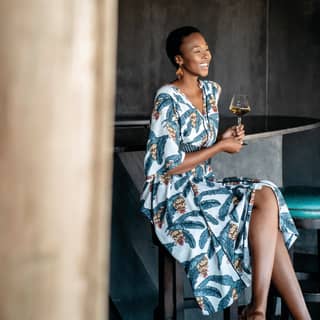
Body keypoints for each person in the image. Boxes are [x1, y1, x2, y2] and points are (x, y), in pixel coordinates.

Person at [140, 26, 310, 319]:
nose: (206, 55)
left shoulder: (211, 91)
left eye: (206, 48)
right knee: (267, 223)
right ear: (179, 60)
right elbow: (170, 164)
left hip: (205, 185)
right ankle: (265, 313)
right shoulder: (166, 98)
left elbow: (200, 139)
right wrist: (220, 147)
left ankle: (257, 309)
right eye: (197, 51)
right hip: (174, 194)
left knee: (267, 194)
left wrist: (223, 137)